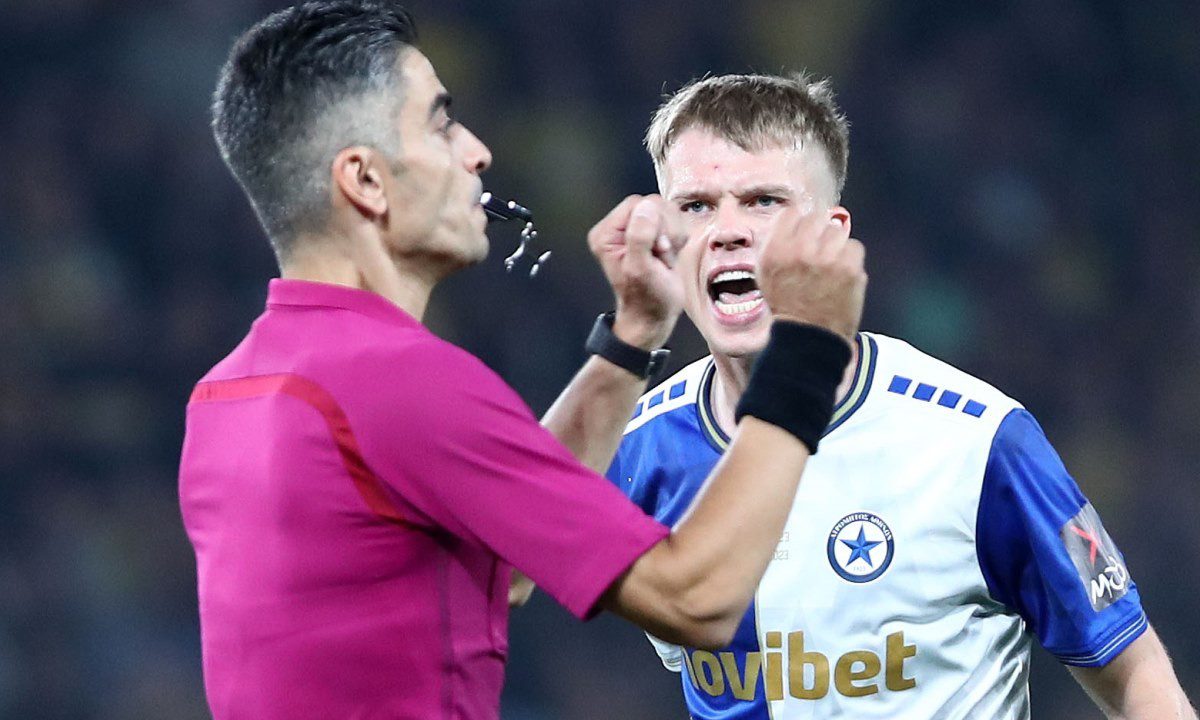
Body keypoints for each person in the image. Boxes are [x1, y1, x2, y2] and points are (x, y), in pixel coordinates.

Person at [178, 3, 868, 719]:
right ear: (366, 180)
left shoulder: (229, 391)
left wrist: (632, 337)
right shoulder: (397, 382)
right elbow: (697, 600)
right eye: (442, 124)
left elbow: (503, 564)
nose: (477, 152)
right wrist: (808, 348)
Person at [604, 73, 1197, 719]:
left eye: (763, 201)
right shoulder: (639, 450)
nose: (727, 230)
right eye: (695, 206)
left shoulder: (975, 442)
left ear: (832, 235)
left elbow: (1137, 678)